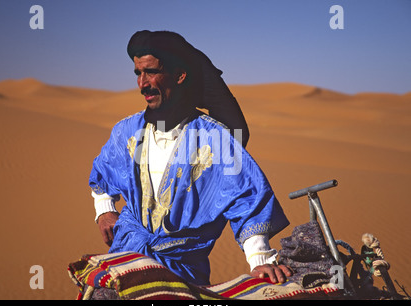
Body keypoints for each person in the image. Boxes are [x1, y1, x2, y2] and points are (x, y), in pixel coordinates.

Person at [89, 30, 291, 286]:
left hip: (182, 272)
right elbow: (104, 173)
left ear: (179, 75)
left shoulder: (215, 140)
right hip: (124, 258)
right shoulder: (127, 131)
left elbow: (246, 199)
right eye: (138, 73)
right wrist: (104, 211)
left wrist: (260, 258)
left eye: (151, 72)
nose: (142, 84)